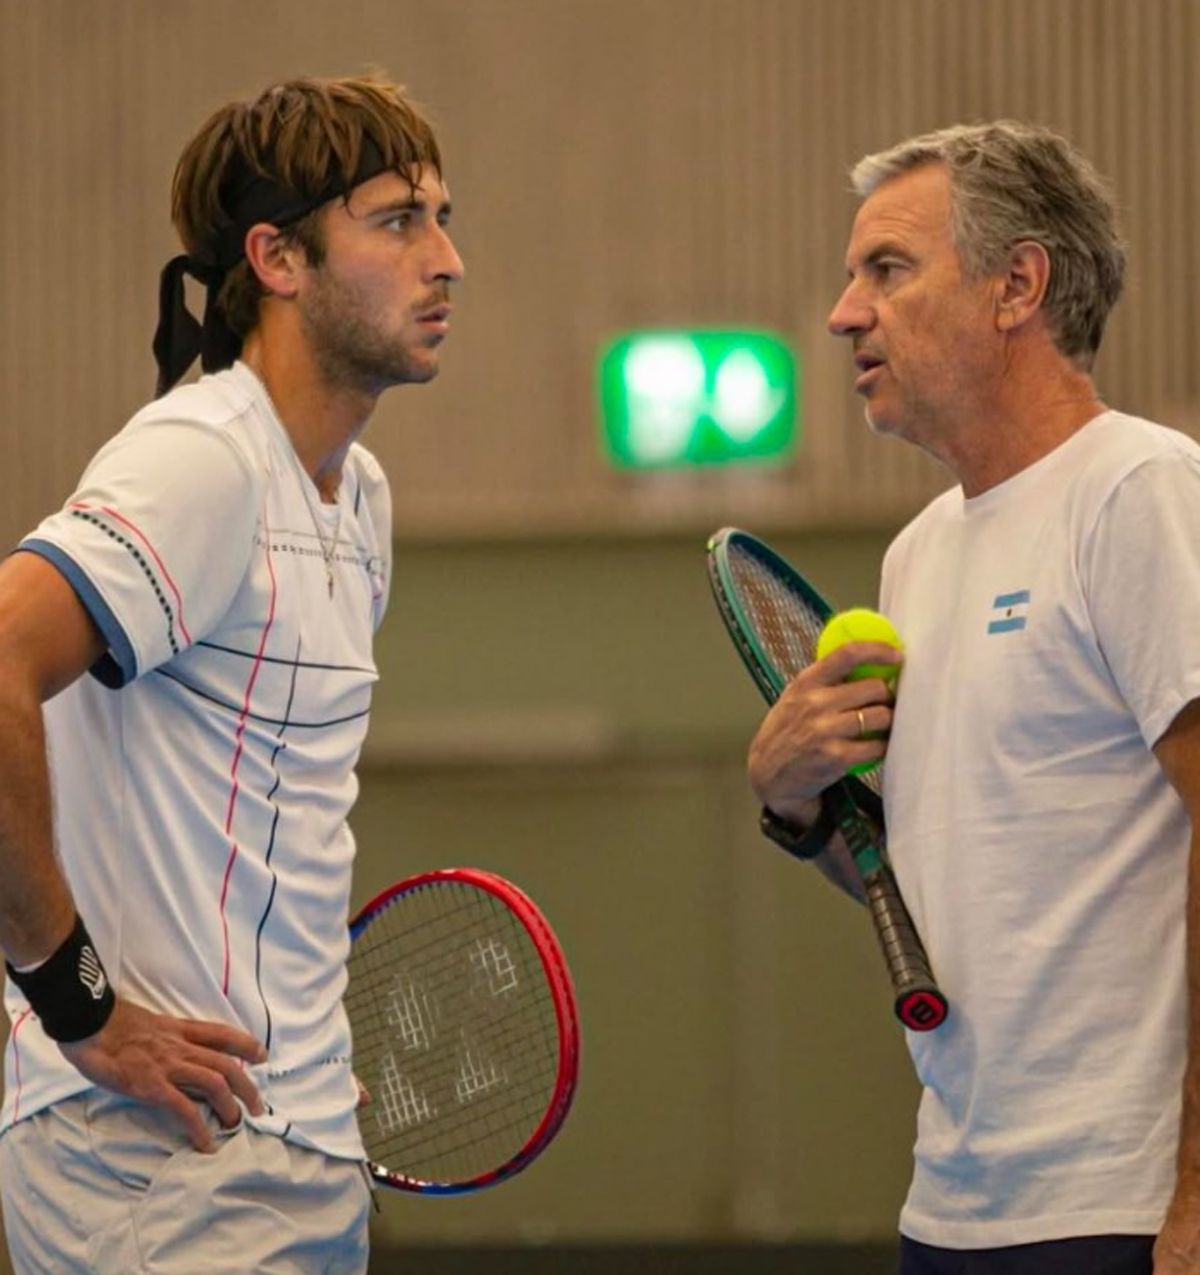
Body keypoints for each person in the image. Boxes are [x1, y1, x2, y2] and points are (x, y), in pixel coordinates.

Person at [0, 73, 464, 1274]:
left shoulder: (358, 499)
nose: (447, 260)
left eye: (444, 219)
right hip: (152, 1165)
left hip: (285, 1145)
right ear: (278, 257)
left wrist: (305, 1060)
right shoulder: (200, 459)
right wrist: (78, 1004)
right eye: (398, 220)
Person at [747, 121, 1200, 1274]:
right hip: (953, 1207)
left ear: (1019, 286)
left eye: (886, 270)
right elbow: (934, 897)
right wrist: (800, 809)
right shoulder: (915, 558)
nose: (846, 312)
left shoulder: (1141, 492)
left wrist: (1196, 1201)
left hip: (1127, 1206)